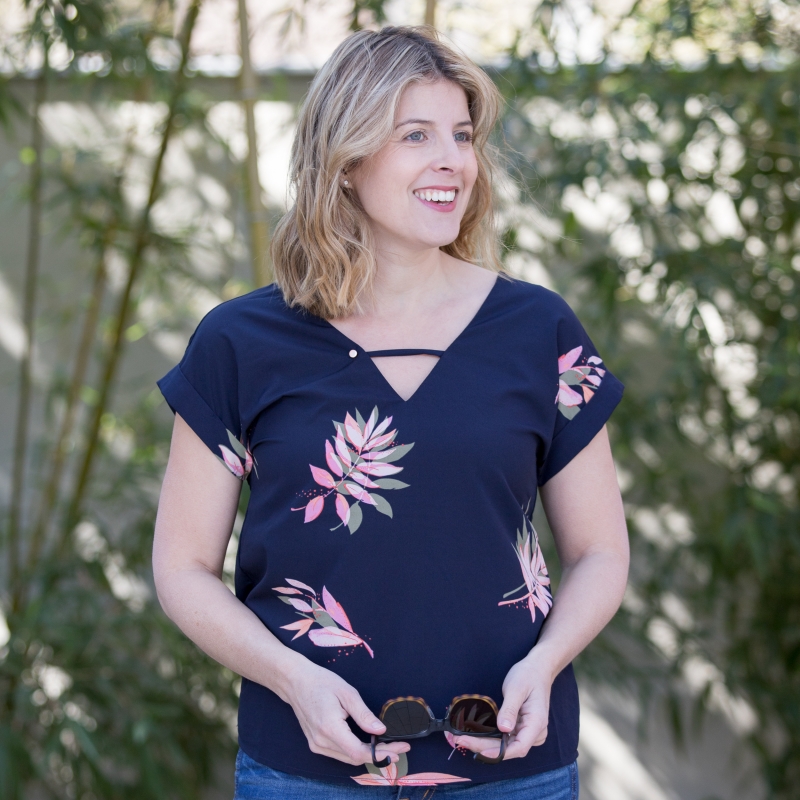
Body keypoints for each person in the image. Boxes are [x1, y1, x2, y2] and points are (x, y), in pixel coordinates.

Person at [153, 25, 629, 800]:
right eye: (416, 135)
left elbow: (602, 552)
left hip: (512, 771)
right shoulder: (239, 342)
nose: (453, 160)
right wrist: (292, 679)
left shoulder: (539, 331)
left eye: (463, 135)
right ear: (346, 162)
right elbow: (182, 569)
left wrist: (545, 665)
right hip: (306, 771)